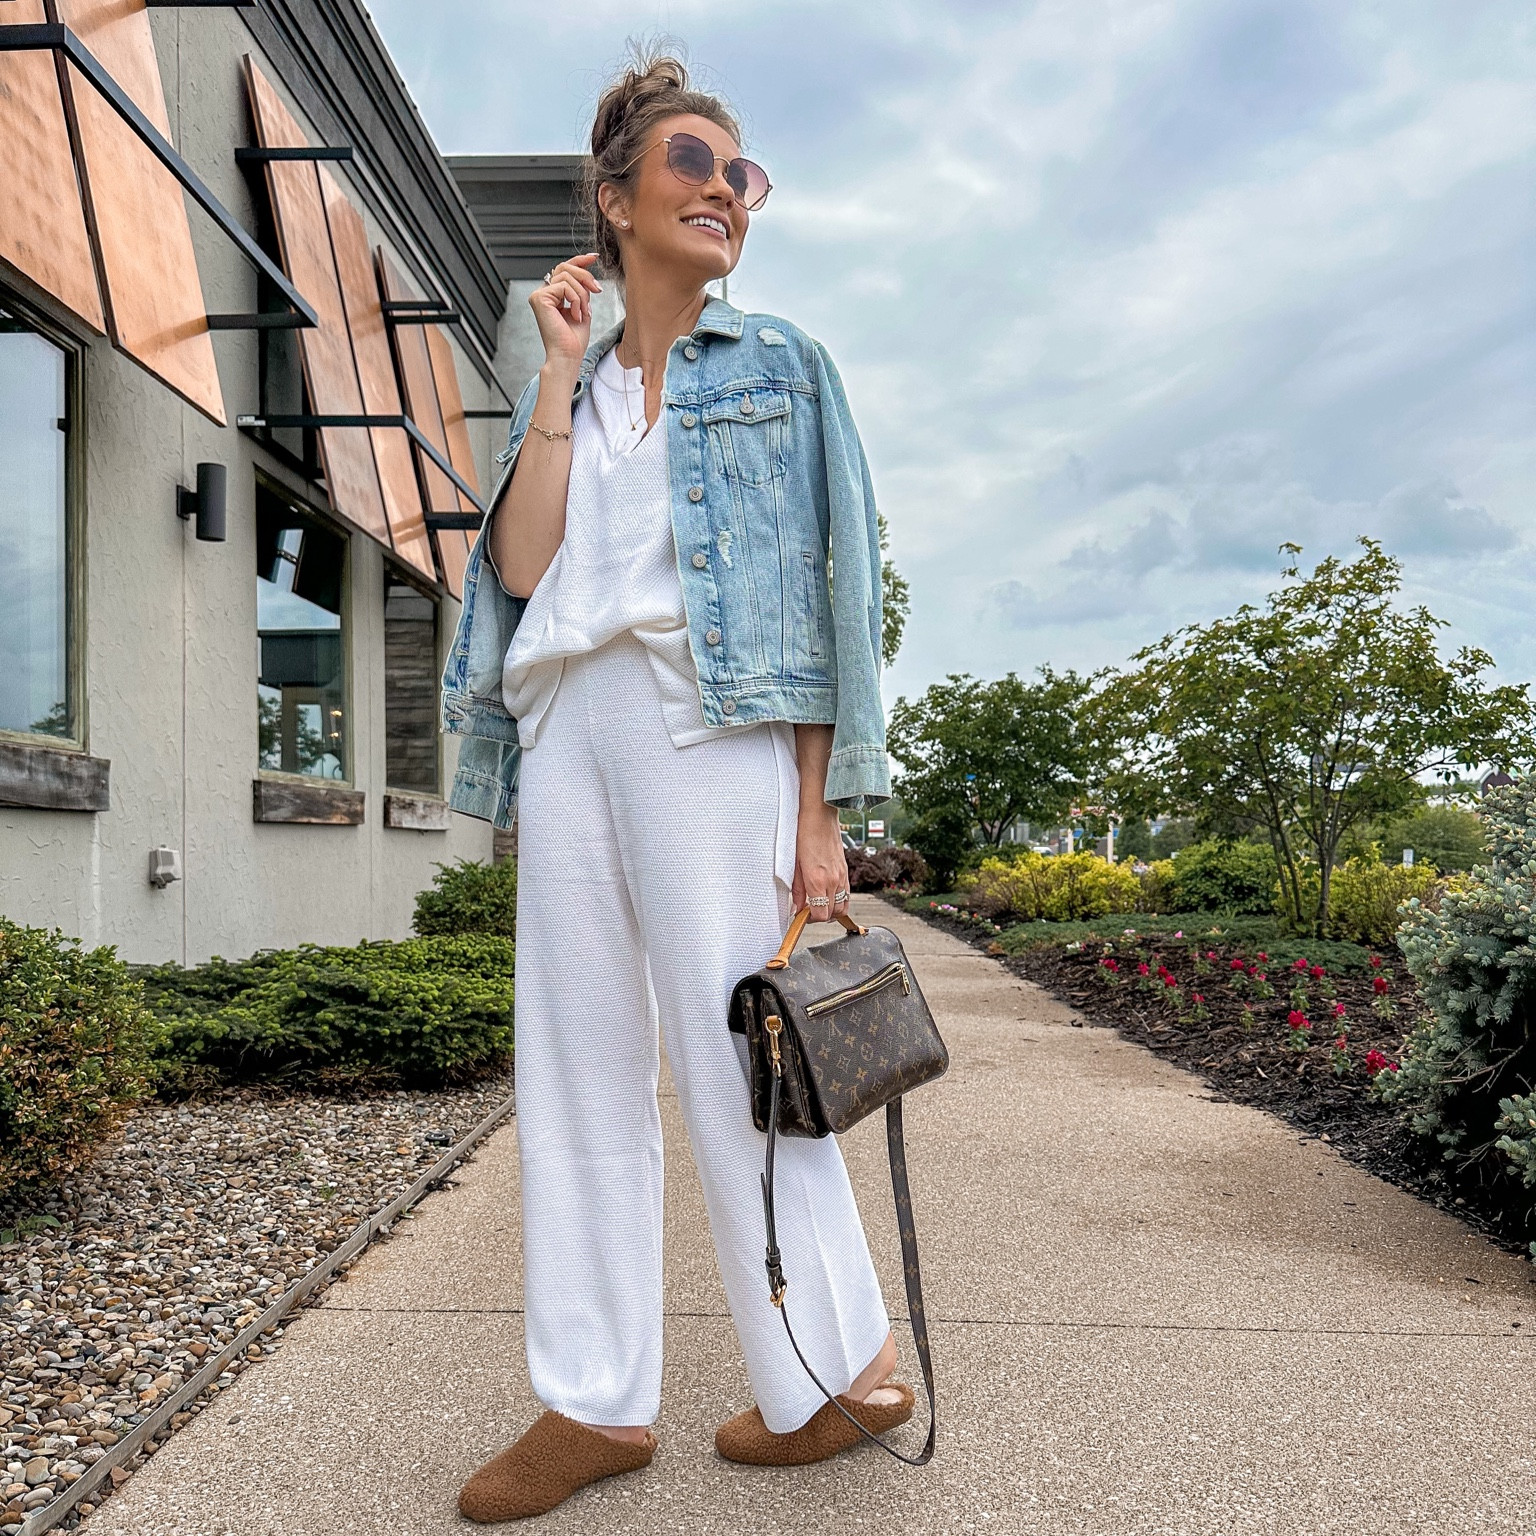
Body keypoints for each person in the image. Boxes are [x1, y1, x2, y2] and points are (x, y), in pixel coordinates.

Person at [440, 52, 911, 1522]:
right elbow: (523, 574)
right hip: (564, 725)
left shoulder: (781, 367)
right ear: (615, 199)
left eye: (742, 175)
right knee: (573, 1068)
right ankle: (592, 1402)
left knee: (741, 1057)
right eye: (694, 165)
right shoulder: (569, 387)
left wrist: (828, 809)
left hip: (715, 729)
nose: (725, 192)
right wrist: (559, 372)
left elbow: (844, 594)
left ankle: (828, 1375)